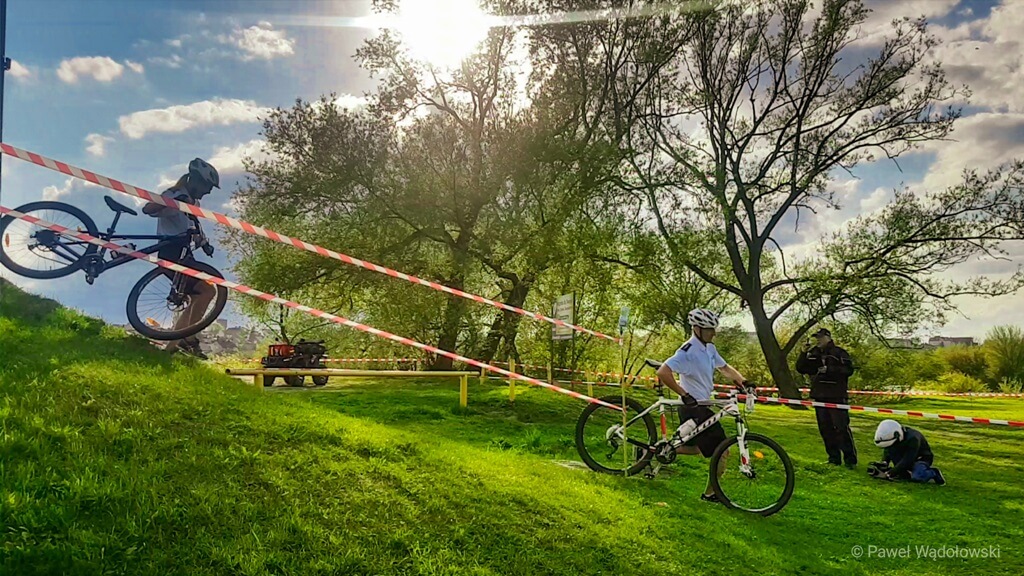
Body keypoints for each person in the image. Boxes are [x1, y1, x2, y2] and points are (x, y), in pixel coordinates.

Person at [655, 308, 754, 504]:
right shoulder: (688, 352)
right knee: (722, 451)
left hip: (702, 405)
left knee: (696, 449)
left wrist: (744, 381)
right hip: (693, 408)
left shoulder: (709, 349)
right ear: (697, 329)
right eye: (710, 329)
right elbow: (663, 372)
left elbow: (724, 368)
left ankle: (651, 451)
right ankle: (710, 494)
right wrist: (684, 394)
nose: (714, 333)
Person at [142, 158, 220, 359]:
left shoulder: (195, 201)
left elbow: (193, 225)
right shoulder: (174, 193)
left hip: (185, 254)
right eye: (207, 186)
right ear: (195, 181)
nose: (209, 192)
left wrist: (204, 243)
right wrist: (175, 203)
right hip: (171, 251)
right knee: (206, 291)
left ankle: (173, 347)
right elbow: (148, 209)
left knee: (199, 295)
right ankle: (188, 338)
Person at [795, 327, 857, 467]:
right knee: (825, 429)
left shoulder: (839, 353)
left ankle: (850, 460)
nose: (818, 340)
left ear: (828, 338)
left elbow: (849, 370)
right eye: (816, 337)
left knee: (841, 428)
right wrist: (803, 354)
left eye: (820, 337)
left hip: (836, 396)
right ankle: (833, 459)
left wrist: (830, 370)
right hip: (820, 396)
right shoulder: (813, 353)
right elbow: (801, 368)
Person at [871, 419, 945, 485]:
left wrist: (890, 473)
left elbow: (908, 458)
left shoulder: (913, 438)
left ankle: (934, 472)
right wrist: (884, 462)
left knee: (917, 477)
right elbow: (889, 449)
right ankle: (905, 473)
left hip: (921, 458)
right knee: (903, 476)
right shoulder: (895, 438)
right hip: (904, 456)